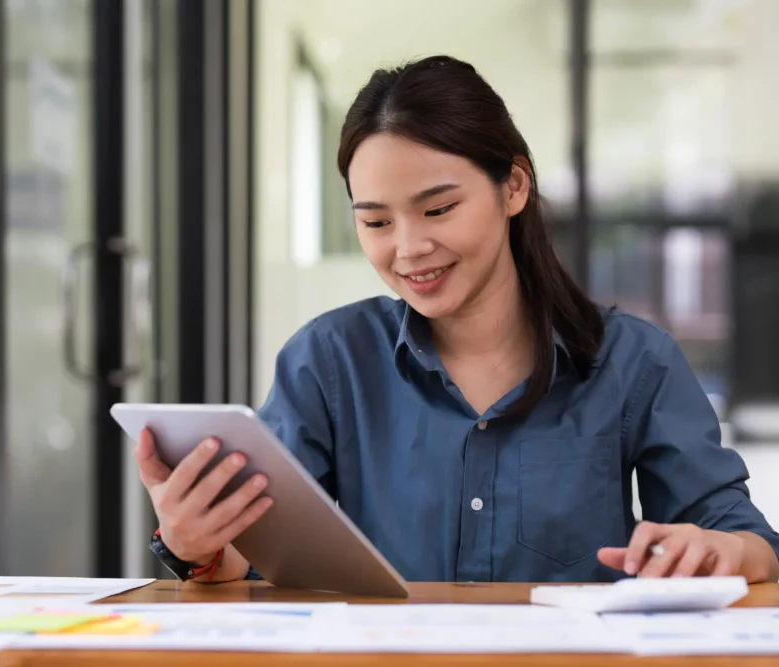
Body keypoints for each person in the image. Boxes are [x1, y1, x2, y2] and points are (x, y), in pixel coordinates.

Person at [134, 54, 779, 584]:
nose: (408, 248)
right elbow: (253, 558)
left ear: (514, 188)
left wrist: (722, 553)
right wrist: (196, 544)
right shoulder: (329, 360)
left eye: (437, 210)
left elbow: (745, 538)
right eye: (376, 221)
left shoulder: (634, 361)